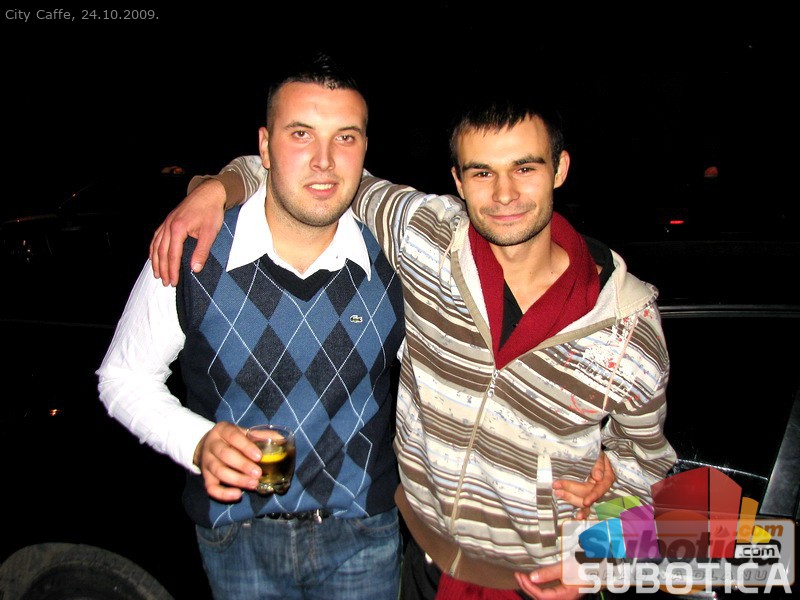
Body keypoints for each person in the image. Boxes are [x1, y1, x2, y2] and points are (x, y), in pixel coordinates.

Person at [151, 91, 668, 598]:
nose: (504, 194)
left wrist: (596, 559)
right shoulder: (423, 236)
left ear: (560, 169)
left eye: (525, 168)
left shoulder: (626, 326)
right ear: (458, 182)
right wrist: (217, 187)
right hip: (418, 565)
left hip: (537, 584)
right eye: (482, 173)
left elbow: (649, 469)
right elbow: (317, 173)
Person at [96, 54, 410, 599]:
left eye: (345, 138)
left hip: (364, 533)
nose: (324, 161)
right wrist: (197, 442)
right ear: (264, 147)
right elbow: (123, 376)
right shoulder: (194, 252)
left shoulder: (396, 260)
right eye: (301, 134)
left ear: (365, 149)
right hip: (235, 537)